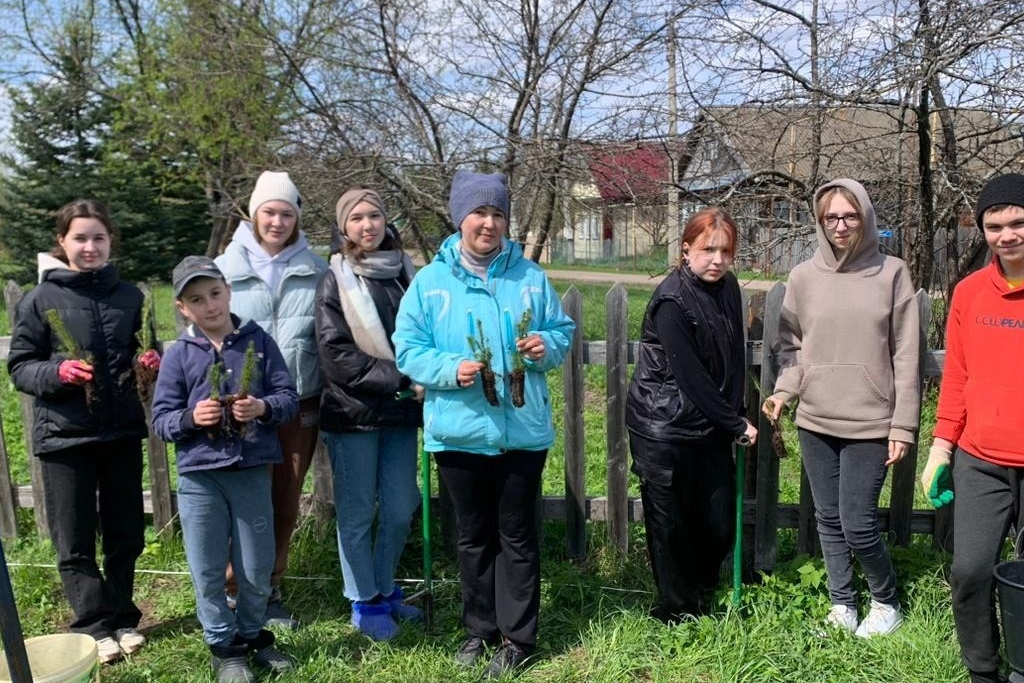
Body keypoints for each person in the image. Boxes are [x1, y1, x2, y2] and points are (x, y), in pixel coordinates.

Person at [393, 170, 575, 679]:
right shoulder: (431, 282)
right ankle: (480, 629)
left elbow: (561, 330)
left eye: (498, 214)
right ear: (460, 218)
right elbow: (408, 348)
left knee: (517, 535)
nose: (489, 223)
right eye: (480, 213)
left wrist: (546, 345)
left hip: (521, 432)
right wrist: (450, 369)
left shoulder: (529, 277)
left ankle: (519, 638)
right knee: (472, 537)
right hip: (459, 432)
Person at [763, 178, 920, 638]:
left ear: (865, 217)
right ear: (820, 221)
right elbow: (792, 348)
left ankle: (886, 601)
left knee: (858, 522)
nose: (840, 225)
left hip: (871, 422)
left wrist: (904, 426)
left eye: (849, 215)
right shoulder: (803, 277)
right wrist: (784, 391)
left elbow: (908, 355)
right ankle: (842, 604)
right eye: (831, 217)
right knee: (827, 519)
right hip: (814, 418)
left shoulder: (893, 273)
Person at [7, 199, 160, 664]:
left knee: (126, 533)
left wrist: (149, 363)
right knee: (73, 539)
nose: (89, 246)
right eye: (80, 238)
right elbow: (21, 366)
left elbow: (143, 351)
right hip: (64, 439)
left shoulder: (130, 297)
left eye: (98, 237)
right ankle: (93, 624)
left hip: (120, 436)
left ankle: (123, 615)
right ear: (62, 243)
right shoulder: (40, 301)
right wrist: (58, 373)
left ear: (110, 240)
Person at [151, 256, 299, 683]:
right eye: (197, 299)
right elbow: (162, 419)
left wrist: (264, 407)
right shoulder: (180, 354)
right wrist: (189, 419)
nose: (210, 305)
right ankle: (223, 646)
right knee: (208, 566)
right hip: (200, 477)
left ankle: (252, 634)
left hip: (251, 470)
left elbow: (287, 396)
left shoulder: (259, 342)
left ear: (228, 291)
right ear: (183, 308)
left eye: (215, 293)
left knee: (255, 566)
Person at [624, 207, 757, 624]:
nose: (717, 259)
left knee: (717, 520)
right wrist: (735, 423)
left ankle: (699, 589)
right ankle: (676, 611)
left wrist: (734, 411)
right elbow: (692, 377)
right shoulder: (670, 301)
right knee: (671, 523)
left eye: (725, 251)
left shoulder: (728, 287)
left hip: (710, 424)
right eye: (707, 249)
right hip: (664, 427)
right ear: (686, 250)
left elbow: (733, 356)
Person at [921, 174, 1024, 683]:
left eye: (1018, 222)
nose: (1007, 234)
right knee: (970, 571)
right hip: (981, 460)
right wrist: (941, 449)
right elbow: (957, 375)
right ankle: (984, 672)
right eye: (995, 225)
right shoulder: (968, 293)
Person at [215, 170, 327, 628]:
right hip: (241, 407)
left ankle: (271, 587)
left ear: (296, 218)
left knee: (284, 496)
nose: (277, 221)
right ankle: (232, 588)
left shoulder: (317, 269)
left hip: (297, 403)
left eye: (286, 213)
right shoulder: (226, 267)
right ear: (254, 214)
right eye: (269, 212)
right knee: (242, 497)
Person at [314, 188, 423, 641]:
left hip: (400, 414)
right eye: (357, 218)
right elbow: (337, 355)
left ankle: (384, 586)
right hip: (353, 413)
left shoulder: (406, 273)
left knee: (400, 507)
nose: (367, 225)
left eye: (374, 215)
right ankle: (365, 600)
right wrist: (403, 377)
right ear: (345, 227)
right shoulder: (333, 279)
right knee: (358, 512)